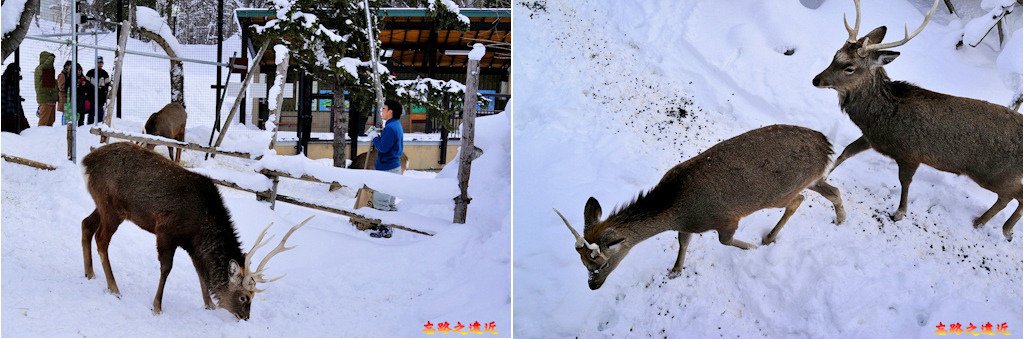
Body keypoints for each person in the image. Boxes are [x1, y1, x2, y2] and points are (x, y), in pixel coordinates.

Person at [366, 99, 405, 238]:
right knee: (390, 201)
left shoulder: (390, 127)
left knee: (381, 200)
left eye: (384, 109)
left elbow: (383, 147)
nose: (381, 111)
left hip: (387, 168)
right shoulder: (395, 125)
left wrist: (374, 137)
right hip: (394, 167)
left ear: (390, 112)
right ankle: (391, 226)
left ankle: (385, 230)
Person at [1, 63, 30, 134]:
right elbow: (2, 98)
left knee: (24, 130)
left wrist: (18, 99)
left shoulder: (14, 81)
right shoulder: (4, 81)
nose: (17, 75)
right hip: (7, 113)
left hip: (16, 109)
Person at [34, 51, 58, 126]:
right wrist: (52, 57)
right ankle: (40, 136)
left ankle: (48, 136)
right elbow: (47, 65)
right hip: (45, 99)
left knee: (51, 121)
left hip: (51, 98)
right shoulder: (40, 69)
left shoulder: (50, 72)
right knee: (43, 121)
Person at [86, 56, 110, 124]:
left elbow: (107, 85)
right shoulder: (90, 72)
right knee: (91, 113)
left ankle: (100, 127)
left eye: (101, 63)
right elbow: (86, 84)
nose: (100, 64)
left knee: (100, 113)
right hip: (91, 97)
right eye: (99, 63)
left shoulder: (105, 73)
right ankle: (88, 127)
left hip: (101, 97)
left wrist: (105, 94)